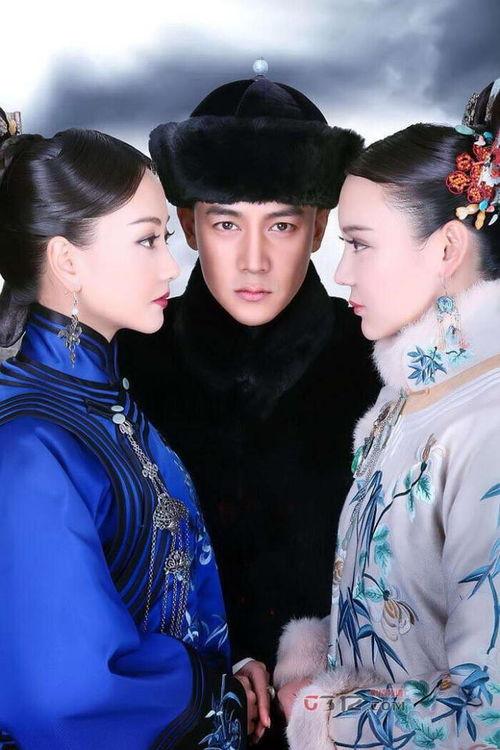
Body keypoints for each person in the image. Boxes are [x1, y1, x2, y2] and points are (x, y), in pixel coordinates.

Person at [118, 61, 380, 746]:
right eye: (228, 224)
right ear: (188, 224)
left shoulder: (385, 363)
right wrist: (204, 675)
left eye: (282, 225)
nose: (254, 260)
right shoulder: (122, 362)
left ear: (319, 228)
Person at [0, 123, 252, 749]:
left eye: (165, 237)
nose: (171, 264)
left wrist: (227, 673)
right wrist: (215, 694)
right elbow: (70, 694)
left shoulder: (102, 400)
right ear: (67, 260)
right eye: (147, 240)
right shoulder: (29, 443)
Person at [274, 80, 500, 749]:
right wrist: (317, 661)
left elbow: (488, 713)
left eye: (361, 243)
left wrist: (322, 718)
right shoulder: (399, 403)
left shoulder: (486, 425)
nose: (341, 272)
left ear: (446, 250)